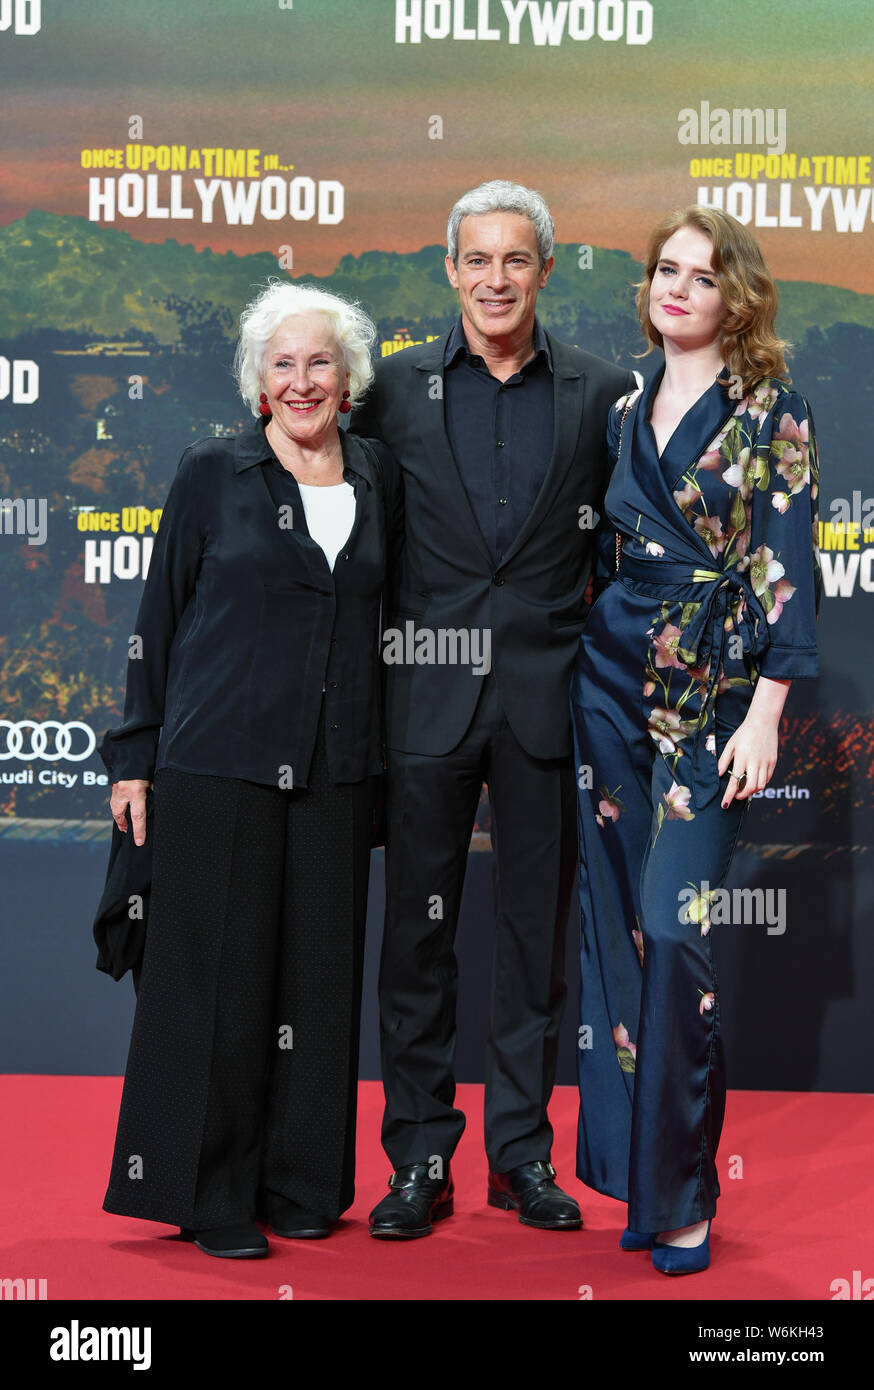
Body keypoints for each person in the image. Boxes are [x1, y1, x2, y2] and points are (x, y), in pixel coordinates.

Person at [349, 179, 635, 1237]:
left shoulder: (603, 392)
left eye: (516, 260)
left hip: (547, 705)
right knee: (415, 941)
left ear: (545, 271)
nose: (496, 278)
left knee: (531, 939)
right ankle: (418, 1154)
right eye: (478, 259)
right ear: (451, 270)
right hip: (421, 696)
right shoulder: (392, 391)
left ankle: (523, 1152)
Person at [99, 281, 399, 1257]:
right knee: (218, 983)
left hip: (336, 768)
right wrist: (133, 758)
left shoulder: (380, 476)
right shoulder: (210, 473)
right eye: (284, 363)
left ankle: (303, 1181)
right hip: (215, 761)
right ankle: (209, 1191)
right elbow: (158, 620)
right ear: (258, 382)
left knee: (317, 985)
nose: (303, 380)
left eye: (320, 362)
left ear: (347, 377)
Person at [571, 206, 821, 1273]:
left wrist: (766, 710)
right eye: (662, 271)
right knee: (619, 931)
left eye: (700, 275)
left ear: (737, 295)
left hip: (712, 698)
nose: (674, 288)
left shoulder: (772, 410)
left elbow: (785, 568)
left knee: (676, 934)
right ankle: (634, 1179)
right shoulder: (624, 402)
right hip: (608, 684)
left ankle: (683, 1193)